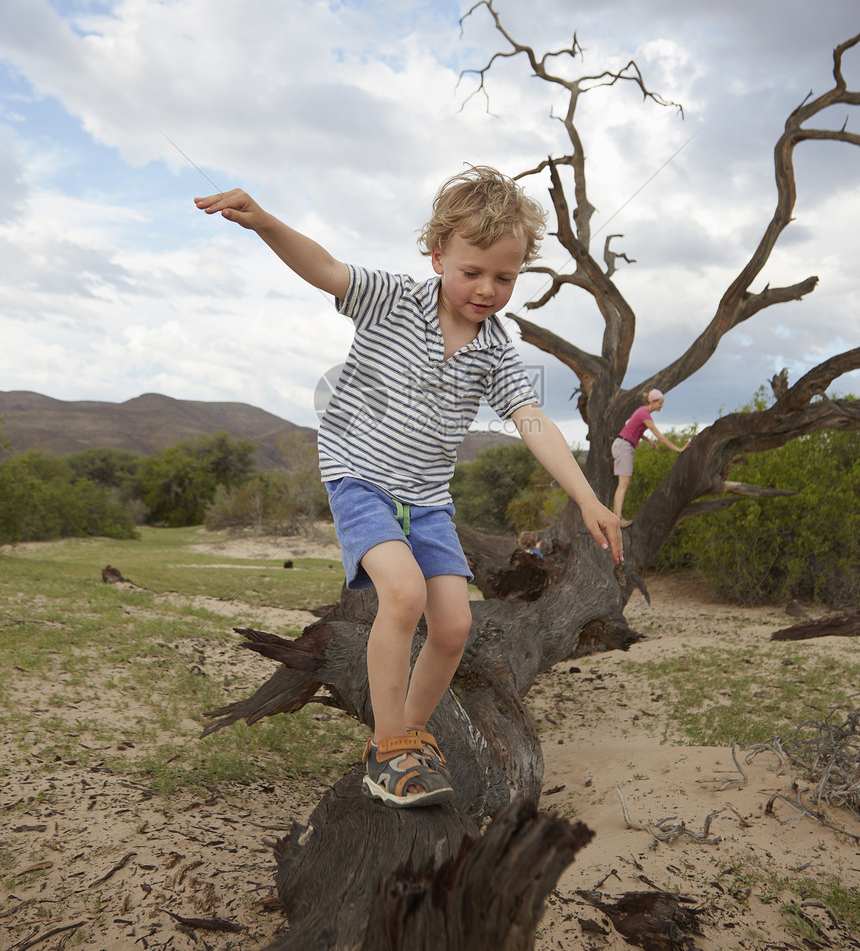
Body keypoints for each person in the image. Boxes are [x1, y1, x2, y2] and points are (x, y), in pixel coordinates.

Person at [196, 166, 622, 809]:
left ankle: (408, 737)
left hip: (427, 500)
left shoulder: (497, 348)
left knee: (452, 627)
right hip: (361, 478)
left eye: (504, 278)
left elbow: (532, 421)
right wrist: (266, 223)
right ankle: (389, 749)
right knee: (403, 593)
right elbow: (326, 269)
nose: (486, 289)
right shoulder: (394, 298)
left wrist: (588, 497)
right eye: (472, 271)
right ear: (437, 256)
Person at [611, 389, 689, 524]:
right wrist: (679, 449)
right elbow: (661, 437)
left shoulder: (641, 411)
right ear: (652, 401)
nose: (661, 406)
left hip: (622, 445)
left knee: (623, 483)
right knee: (623, 483)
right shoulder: (644, 414)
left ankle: (617, 516)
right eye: (660, 403)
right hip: (623, 446)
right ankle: (617, 518)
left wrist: (648, 440)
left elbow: (633, 428)